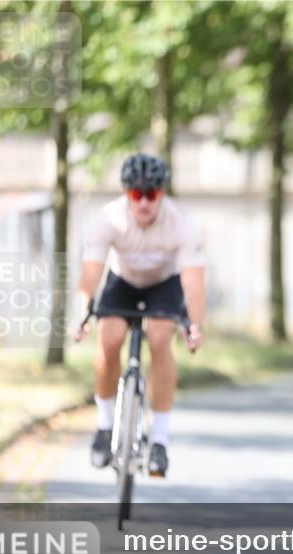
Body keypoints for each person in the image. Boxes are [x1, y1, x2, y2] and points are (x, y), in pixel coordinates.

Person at [76, 154, 206, 478]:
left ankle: (159, 438)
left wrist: (195, 324)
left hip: (164, 284)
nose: (144, 201)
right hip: (122, 282)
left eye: (151, 194)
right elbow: (91, 272)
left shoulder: (182, 222)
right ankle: (105, 426)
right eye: (136, 194)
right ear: (126, 193)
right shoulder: (109, 218)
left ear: (161, 194)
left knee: (161, 339)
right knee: (109, 338)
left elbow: (193, 280)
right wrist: (82, 311)